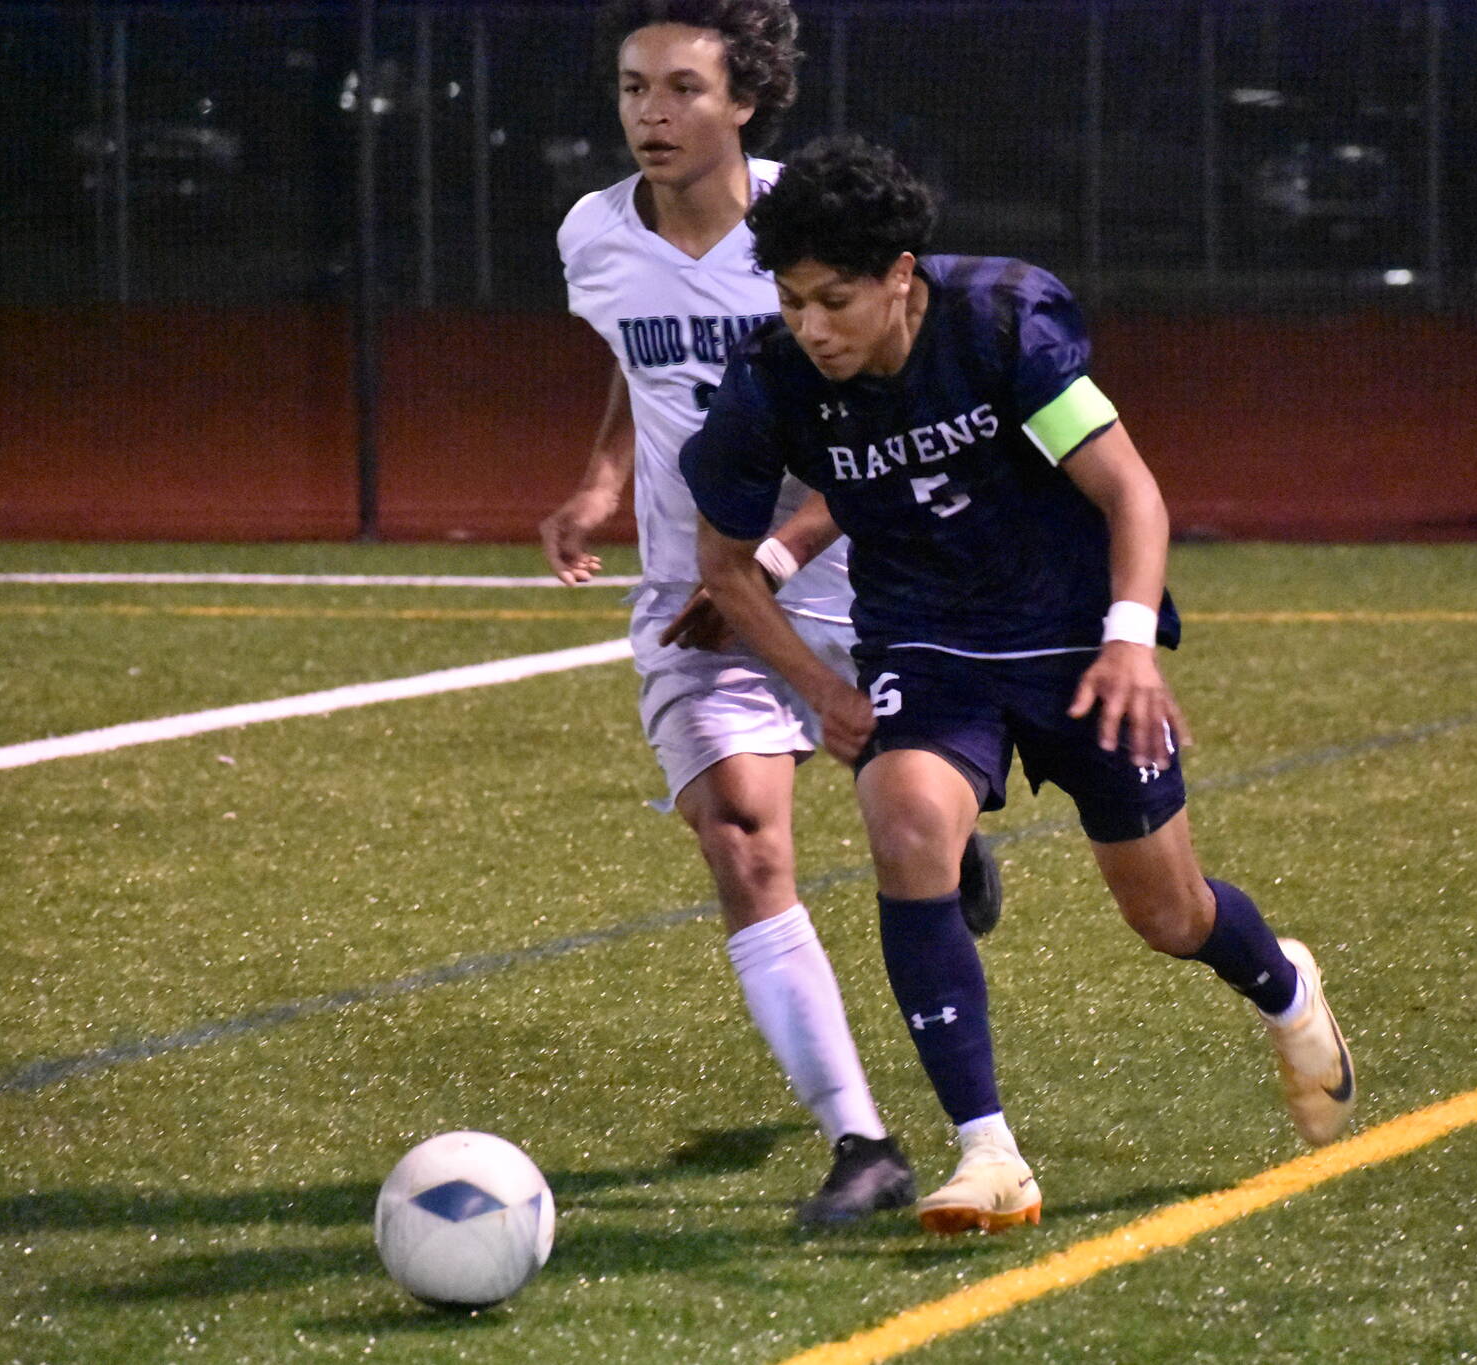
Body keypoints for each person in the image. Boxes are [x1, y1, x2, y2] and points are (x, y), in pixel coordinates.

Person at [681, 135, 1356, 1235]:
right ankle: (987, 1152)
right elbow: (723, 565)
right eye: (792, 301)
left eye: (835, 300)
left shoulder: (1001, 324)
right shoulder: (773, 381)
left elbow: (1131, 493)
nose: (812, 327)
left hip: (1074, 639)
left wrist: (1129, 641)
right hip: (928, 643)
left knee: (1167, 913)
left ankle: (1283, 986)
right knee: (906, 825)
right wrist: (817, 684)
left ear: (901, 274)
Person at [541, 1, 1001, 1228]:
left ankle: (938, 826)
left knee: (904, 796)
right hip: (690, 598)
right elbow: (635, 366)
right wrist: (599, 483)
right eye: (633, 87)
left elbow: (902, 400)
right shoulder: (592, 234)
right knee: (742, 839)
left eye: (682, 88)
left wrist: (773, 554)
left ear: (744, 100)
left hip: (866, 576)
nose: (651, 113)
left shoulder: (815, 227)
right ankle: (861, 1142)